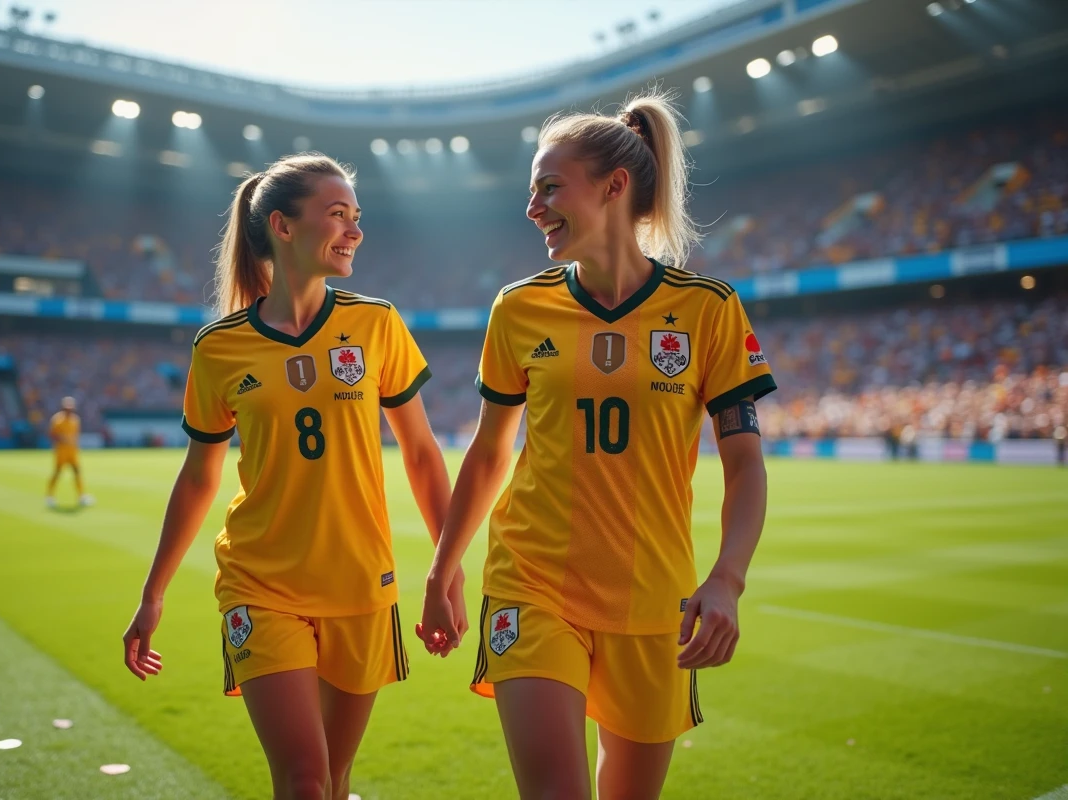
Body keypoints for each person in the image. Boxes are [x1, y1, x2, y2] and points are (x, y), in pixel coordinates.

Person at [418, 91, 776, 799]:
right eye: (533, 191)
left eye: (550, 188)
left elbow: (743, 462)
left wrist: (727, 580)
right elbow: (489, 454)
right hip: (533, 583)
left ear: (614, 187)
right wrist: (441, 571)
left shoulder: (708, 309)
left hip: (654, 600)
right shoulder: (519, 307)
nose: (533, 208)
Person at [121, 153, 464, 800]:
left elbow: (421, 454)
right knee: (304, 778)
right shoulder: (219, 347)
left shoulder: (376, 323)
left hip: (360, 582)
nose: (355, 230)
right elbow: (198, 479)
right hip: (262, 584)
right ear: (282, 226)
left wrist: (447, 573)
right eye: (337, 215)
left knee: (334, 778)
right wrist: (153, 593)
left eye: (356, 216)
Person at [46, 396, 92, 507]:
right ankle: (50, 496)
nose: (69, 410)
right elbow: (52, 434)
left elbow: (76, 435)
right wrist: (63, 439)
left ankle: (81, 496)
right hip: (61, 451)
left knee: (77, 473)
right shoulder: (57, 420)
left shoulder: (75, 420)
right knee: (57, 473)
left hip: (72, 451)